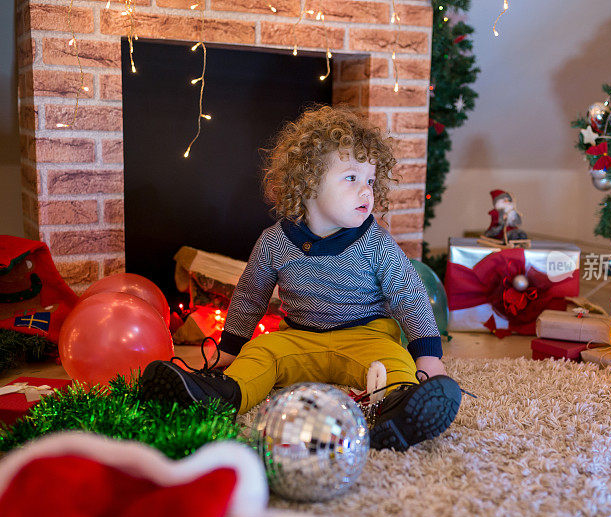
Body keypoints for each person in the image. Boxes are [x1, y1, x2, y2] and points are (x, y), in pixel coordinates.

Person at [140, 105, 462, 451]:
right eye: (351, 178)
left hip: (366, 338)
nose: (366, 192)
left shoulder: (376, 243)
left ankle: (397, 410)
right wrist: (231, 348)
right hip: (299, 338)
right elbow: (251, 295)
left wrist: (427, 355)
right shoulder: (275, 241)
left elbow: (409, 295)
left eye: (370, 180)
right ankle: (218, 394)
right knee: (262, 352)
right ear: (307, 182)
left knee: (394, 361)